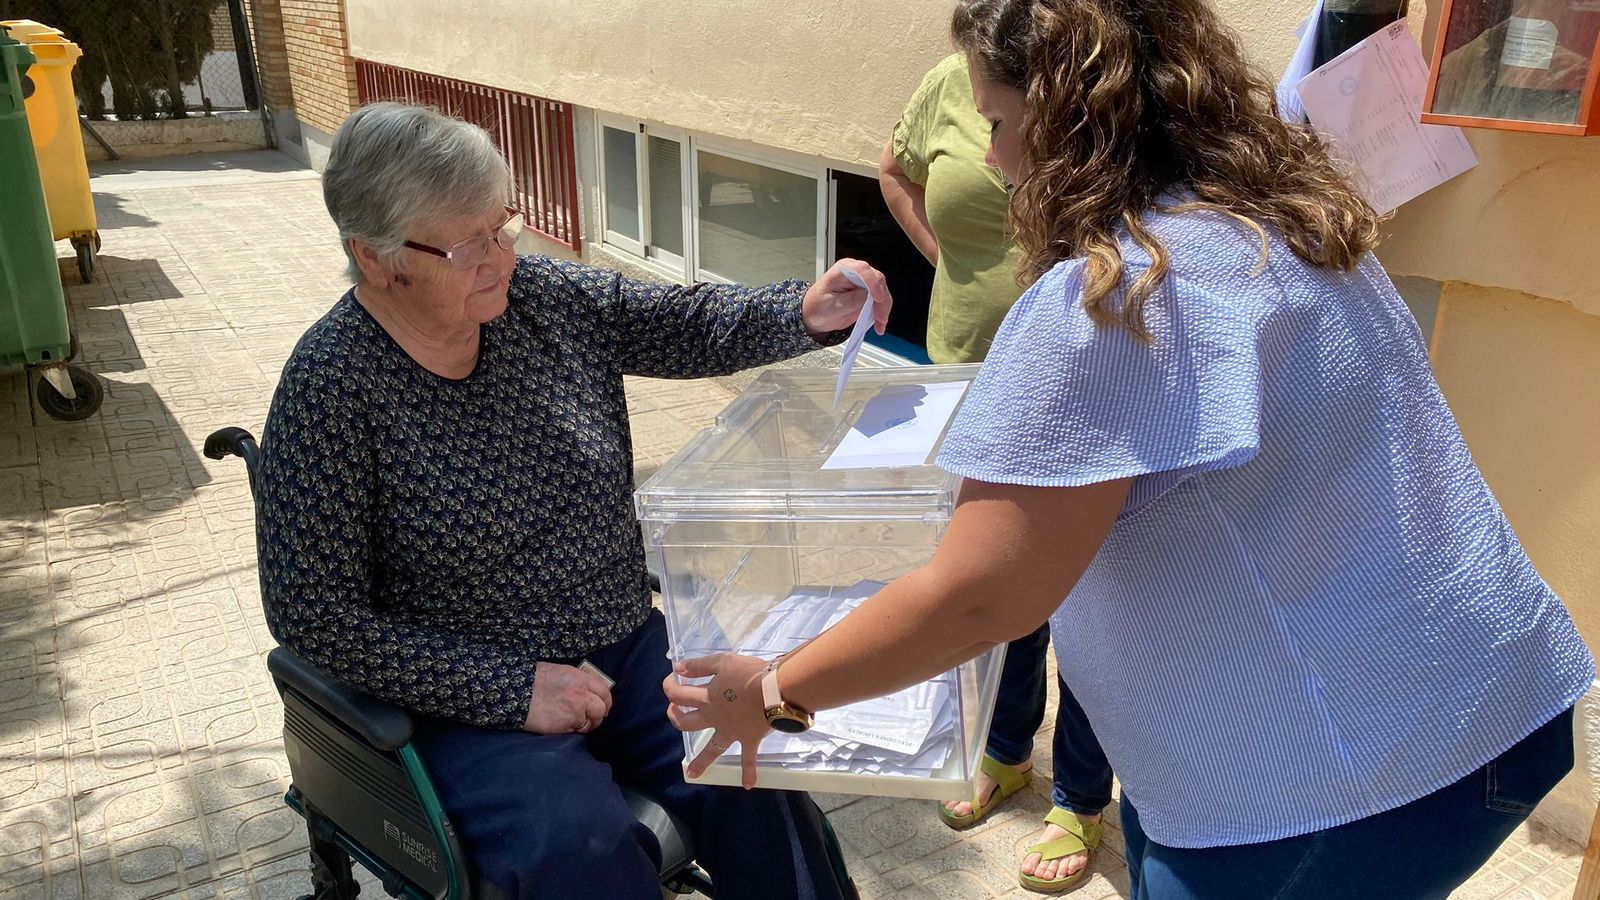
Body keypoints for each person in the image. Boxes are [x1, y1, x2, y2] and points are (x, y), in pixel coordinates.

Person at [664, 2, 1595, 898]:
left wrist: (778, 691)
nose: (991, 157)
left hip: (1337, 786)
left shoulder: (1114, 294)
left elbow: (987, 594)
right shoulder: (1286, 221)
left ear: (1071, 115)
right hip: (1488, 707)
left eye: (997, 119)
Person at [255, 102, 893, 900]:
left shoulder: (544, 299)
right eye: (467, 245)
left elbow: (678, 323)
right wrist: (509, 690)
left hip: (625, 643)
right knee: (583, 851)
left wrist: (802, 312)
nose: (500, 258)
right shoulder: (329, 388)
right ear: (376, 259)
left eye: (501, 227)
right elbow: (315, 616)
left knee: (753, 768)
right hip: (467, 698)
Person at [880, 52, 1111, 892]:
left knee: (1086, 598)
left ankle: (1082, 795)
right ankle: (1008, 750)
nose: (989, 151)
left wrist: (781, 693)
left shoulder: (1098, 74)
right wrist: (947, 256)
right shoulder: (952, 77)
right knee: (995, 581)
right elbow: (893, 170)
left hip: (1080, 390)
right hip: (965, 376)